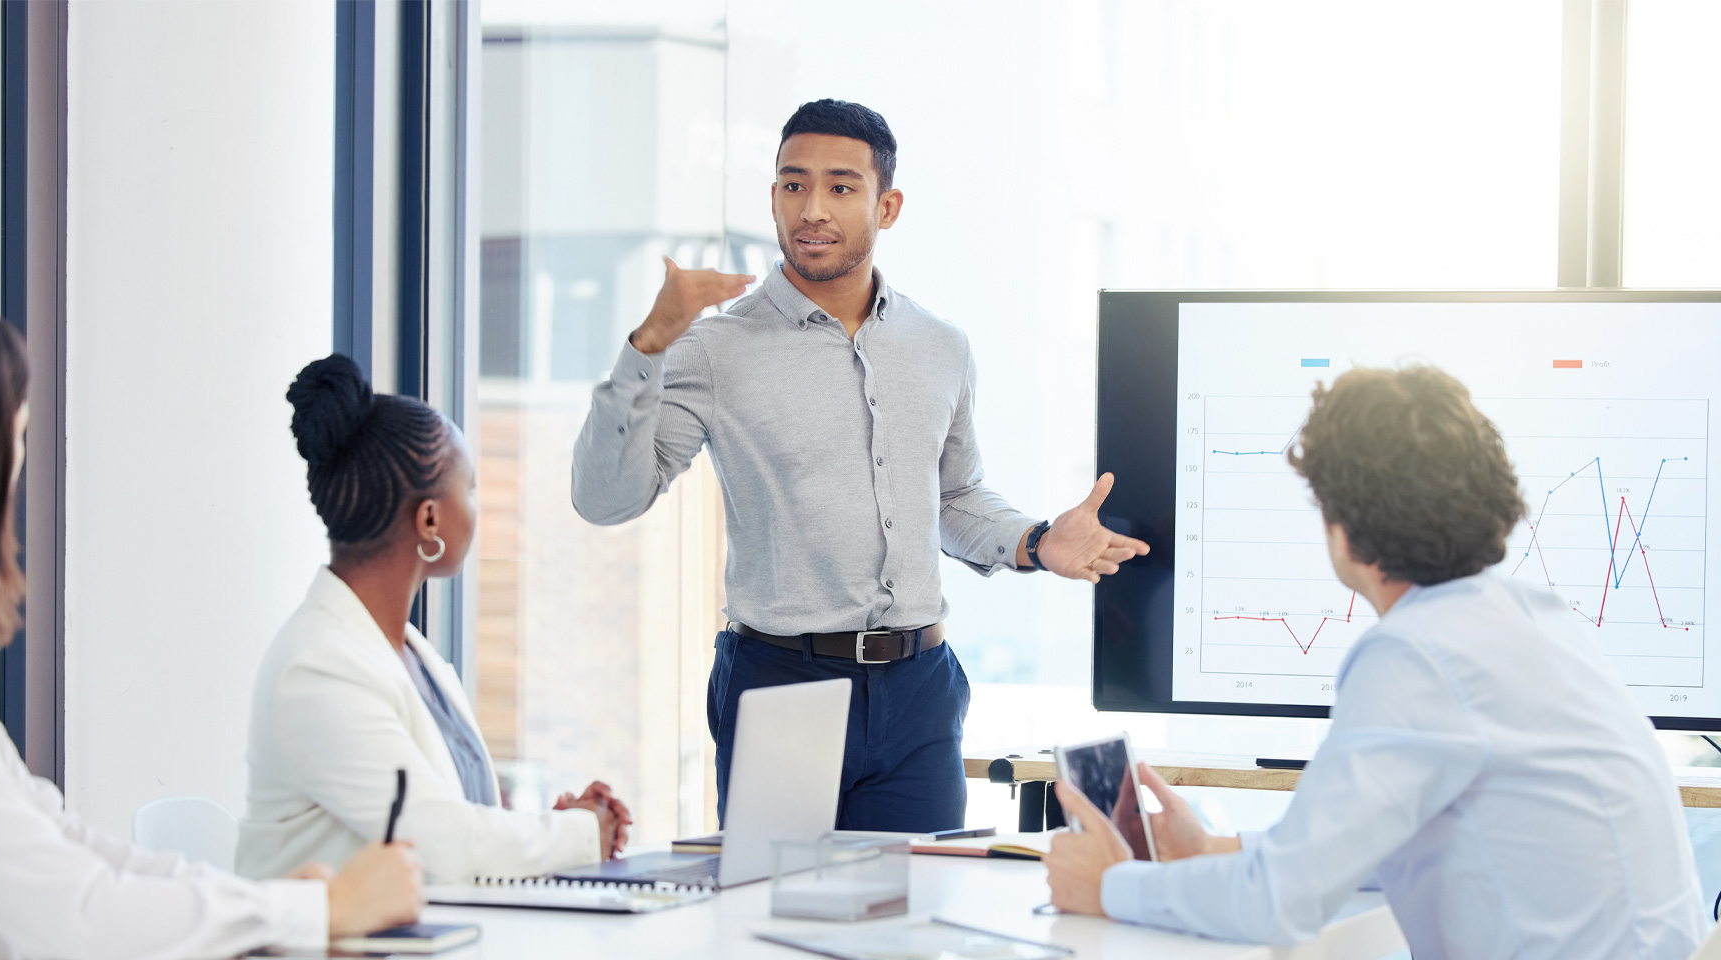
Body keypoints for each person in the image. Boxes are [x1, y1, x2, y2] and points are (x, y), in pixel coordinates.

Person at [571, 98, 1150, 833]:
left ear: (889, 205)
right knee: (777, 925)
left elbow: (953, 497)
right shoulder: (714, 348)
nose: (812, 208)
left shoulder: (940, 346)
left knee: (914, 924)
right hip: (782, 682)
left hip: (919, 689)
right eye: (792, 184)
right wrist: (649, 344)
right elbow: (605, 499)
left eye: (841, 187)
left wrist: (1035, 541)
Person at [0, 299, 423, 960]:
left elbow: (63, 845)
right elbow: (75, 916)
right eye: (13, 441)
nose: (15, 476)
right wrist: (310, 910)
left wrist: (276, 908)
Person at [1043, 365, 1705, 959]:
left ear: (1346, 529)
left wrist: (1109, 886)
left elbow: (1279, 903)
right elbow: (1406, 839)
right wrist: (1218, 850)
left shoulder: (1417, 653)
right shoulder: (1537, 618)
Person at [238, 354, 630, 883]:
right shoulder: (318, 669)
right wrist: (580, 834)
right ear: (429, 519)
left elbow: (453, 817)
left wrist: (551, 829)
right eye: (468, 488)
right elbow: (440, 847)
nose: (476, 505)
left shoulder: (404, 651)